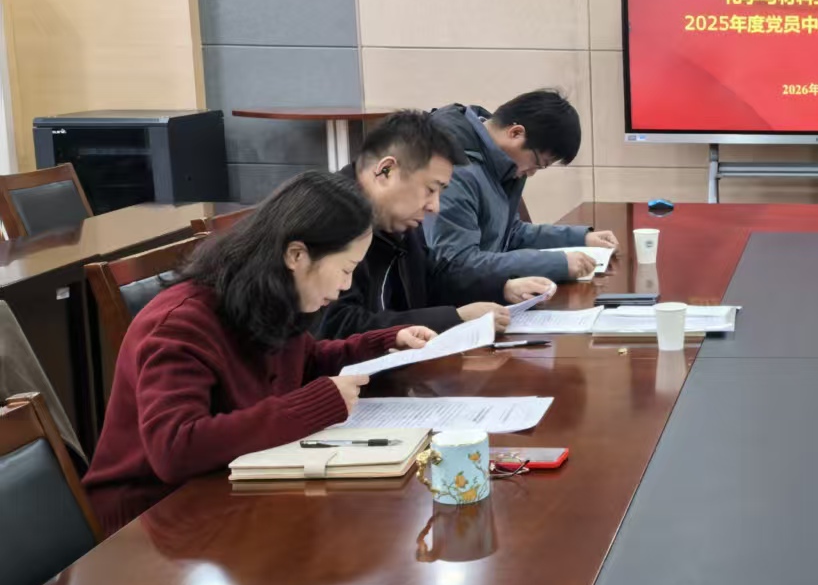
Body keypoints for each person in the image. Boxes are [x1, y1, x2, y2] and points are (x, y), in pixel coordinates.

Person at [83, 171, 437, 532]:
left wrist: (382, 345)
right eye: (346, 269)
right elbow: (175, 448)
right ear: (296, 255)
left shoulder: (269, 296)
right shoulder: (181, 324)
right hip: (152, 520)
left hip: (229, 490)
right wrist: (314, 405)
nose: (347, 285)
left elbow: (306, 360)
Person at [322, 110, 556, 338]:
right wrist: (454, 319)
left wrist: (502, 288)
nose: (434, 206)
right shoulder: (328, 220)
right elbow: (338, 326)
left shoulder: (399, 221)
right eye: (430, 190)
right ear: (387, 171)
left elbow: (433, 278)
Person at [427, 89, 619, 303]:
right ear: (516, 133)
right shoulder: (456, 169)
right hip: (458, 308)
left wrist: (581, 238)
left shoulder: (498, 163)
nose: (532, 173)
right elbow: (458, 264)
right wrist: (557, 263)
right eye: (537, 163)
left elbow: (511, 233)